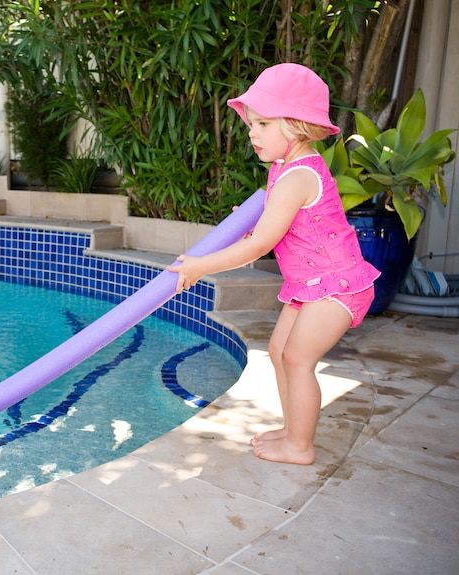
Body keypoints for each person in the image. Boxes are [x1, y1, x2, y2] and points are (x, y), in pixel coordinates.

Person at [168, 63, 380, 465]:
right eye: (252, 123)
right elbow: (278, 228)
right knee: (279, 349)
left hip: (336, 286)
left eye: (263, 123)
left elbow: (261, 244)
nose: (251, 132)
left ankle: (301, 446)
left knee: (298, 360)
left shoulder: (298, 176)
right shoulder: (283, 170)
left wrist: (202, 265)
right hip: (310, 284)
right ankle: (292, 428)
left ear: (296, 126)